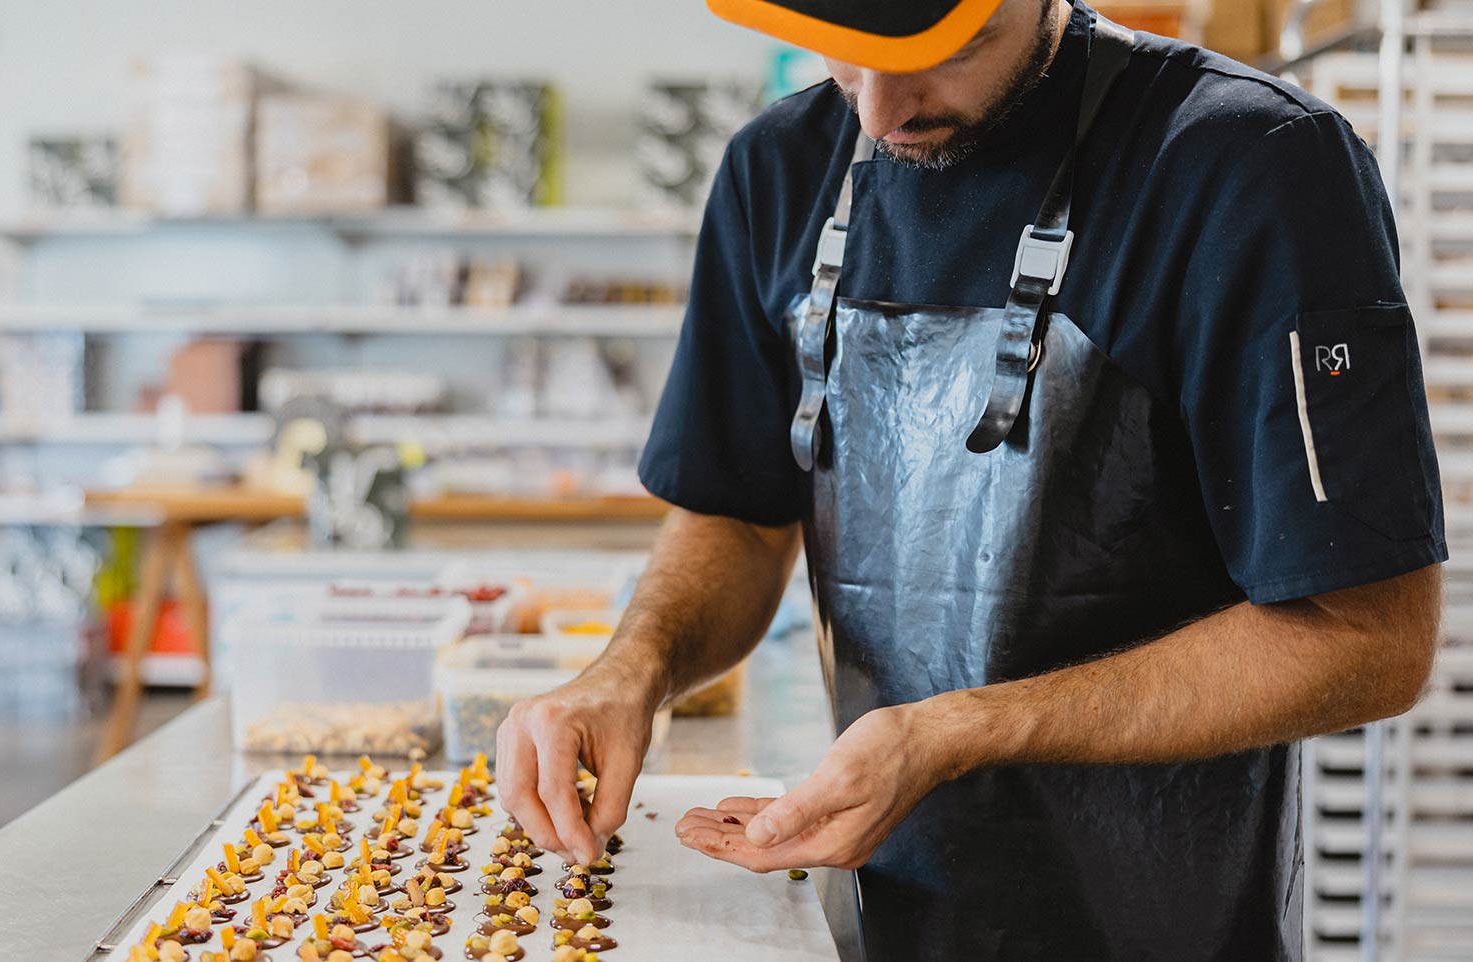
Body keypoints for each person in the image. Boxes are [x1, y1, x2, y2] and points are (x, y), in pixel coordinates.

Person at [496, 1, 1447, 959]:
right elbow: (739, 518)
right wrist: (633, 670)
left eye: (939, 55)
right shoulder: (777, 169)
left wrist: (955, 733)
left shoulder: (1251, 165)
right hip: (864, 913)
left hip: (1158, 926)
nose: (876, 114)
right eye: (843, 59)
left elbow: (1366, 638)